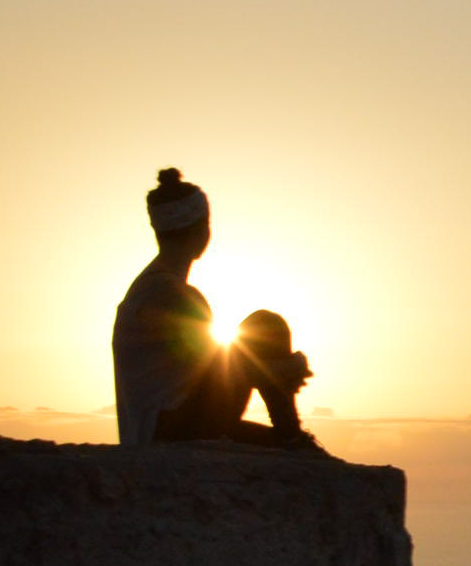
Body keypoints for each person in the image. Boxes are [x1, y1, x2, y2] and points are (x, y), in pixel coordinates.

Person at [111, 168, 320, 449]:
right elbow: (224, 367)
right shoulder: (173, 295)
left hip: (159, 428)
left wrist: (277, 370)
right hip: (175, 429)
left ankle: (290, 439)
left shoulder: (149, 288)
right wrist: (286, 368)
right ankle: (291, 434)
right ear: (202, 230)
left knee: (271, 444)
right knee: (267, 325)